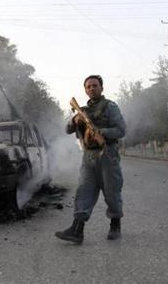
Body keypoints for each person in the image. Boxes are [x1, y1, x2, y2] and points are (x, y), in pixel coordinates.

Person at [55, 75, 126, 244]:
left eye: (95, 85)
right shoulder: (82, 111)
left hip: (108, 154)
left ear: (101, 88)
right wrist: (75, 119)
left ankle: (115, 224)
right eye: (88, 86)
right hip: (88, 157)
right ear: (85, 90)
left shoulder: (110, 107)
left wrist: (100, 133)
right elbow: (67, 129)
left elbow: (121, 130)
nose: (91, 88)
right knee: (84, 191)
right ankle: (77, 230)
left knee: (112, 192)